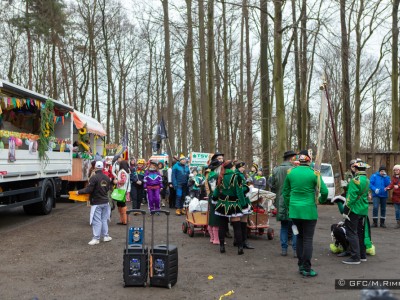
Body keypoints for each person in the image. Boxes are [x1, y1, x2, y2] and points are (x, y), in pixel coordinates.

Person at [282, 150, 328, 276]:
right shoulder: (315, 174)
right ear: (309, 160)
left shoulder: (291, 173)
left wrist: (289, 205)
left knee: (299, 237)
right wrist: (320, 201)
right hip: (309, 211)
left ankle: (301, 265)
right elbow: (324, 191)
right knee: (307, 239)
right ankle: (307, 268)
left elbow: (285, 192)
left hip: (294, 211)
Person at [213, 160, 252, 255]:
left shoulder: (220, 176)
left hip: (222, 203)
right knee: (237, 226)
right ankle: (240, 248)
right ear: (231, 167)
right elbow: (239, 192)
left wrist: (214, 199)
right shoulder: (236, 177)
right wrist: (244, 204)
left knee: (222, 226)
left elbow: (216, 191)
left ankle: (222, 247)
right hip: (233, 204)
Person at [341, 160, 370, 265]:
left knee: (351, 233)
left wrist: (346, 210)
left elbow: (351, 197)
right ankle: (362, 255)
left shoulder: (355, 180)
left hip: (354, 209)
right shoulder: (366, 180)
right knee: (360, 233)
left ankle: (355, 257)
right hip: (363, 209)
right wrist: (346, 186)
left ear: (356, 169)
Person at [76, 161, 112, 245]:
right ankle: (106, 236)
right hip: (105, 202)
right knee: (104, 219)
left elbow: (88, 190)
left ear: (95, 168)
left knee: (96, 221)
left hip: (97, 202)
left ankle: (96, 238)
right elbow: (109, 189)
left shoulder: (94, 178)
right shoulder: (107, 178)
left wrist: (79, 192)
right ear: (103, 168)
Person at [271, 150, 298, 257]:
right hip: (293, 200)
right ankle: (296, 249)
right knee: (295, 225)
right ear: (291, 158)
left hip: (281, 201)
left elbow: (272, 185)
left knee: (284, 226)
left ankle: (284, 249)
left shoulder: (276, 169)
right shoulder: (295, 170)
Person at [235, 161, 254, 249]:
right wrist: (247, 188)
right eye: (242, 167)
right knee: (242, 220)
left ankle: (239, 240)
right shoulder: (238, 175)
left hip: (241, 199)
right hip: (241, 200)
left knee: (239, 221)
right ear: (238, 167)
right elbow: (239, 189)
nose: (243, 168)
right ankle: (243, 241)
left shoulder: (240, 175)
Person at [206, 159, 223, 245]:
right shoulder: (215, 176)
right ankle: (215, 238)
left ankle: (212, 238)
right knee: (215, 218)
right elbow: (214, 189)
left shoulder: (210, 175)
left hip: (212, 197)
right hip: (215, 197)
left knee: (212, 217)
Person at [115, 160, 131, 225]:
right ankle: (124, 220)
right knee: (121, 205)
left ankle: (124, 220)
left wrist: (117, 182)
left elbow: (123, 180)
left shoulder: (122, 172)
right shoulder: (127, 172)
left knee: (121, 205)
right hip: (124, 190)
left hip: (121, 190)